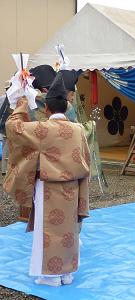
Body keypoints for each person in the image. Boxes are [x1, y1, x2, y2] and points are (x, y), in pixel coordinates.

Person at [3, 72, 91, 286]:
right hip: (73, 187)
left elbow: (13, 127)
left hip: (48, 188)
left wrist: (22, 102)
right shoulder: (78, 130)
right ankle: (66, 273)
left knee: (48, 231)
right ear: (66, 107)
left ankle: (49, 275)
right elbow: (85, 160)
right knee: (69, 230)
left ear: (47, 108)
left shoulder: (43, 129)